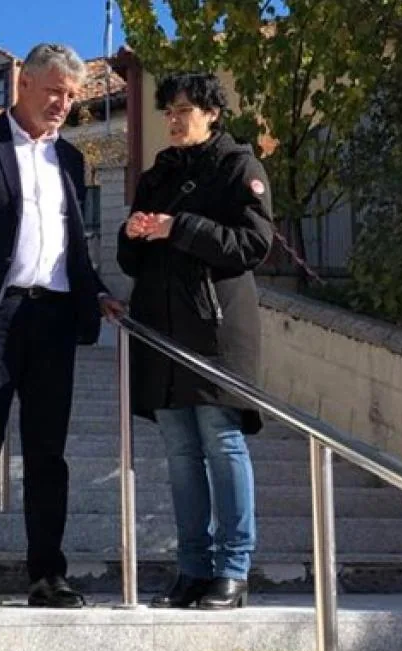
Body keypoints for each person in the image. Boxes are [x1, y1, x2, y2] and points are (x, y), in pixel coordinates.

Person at [0, 43, 125, 611]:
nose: (64, 104)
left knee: (48, 454)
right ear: (24, 85)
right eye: (56, 91)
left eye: (72, 96)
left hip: (54, 317)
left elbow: (73, 248)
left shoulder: (69, 159)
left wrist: (99, 294)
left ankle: (47, 576)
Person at [118, 73, 275, 610]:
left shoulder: (238, 166)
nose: (175, 119)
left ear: (212, 113)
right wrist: (134, 233)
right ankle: (192, 569)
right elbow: (131, 261)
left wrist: (177, 226)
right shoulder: (156, 174)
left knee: (220, 443)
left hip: (215, 331)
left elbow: (255, 244)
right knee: (181, 453)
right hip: (161, 334)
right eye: (169, 111)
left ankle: (233, 570)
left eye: (185, 109)